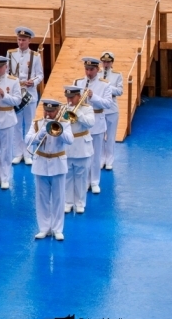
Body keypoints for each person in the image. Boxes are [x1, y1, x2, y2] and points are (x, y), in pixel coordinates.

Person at [26, 99, 74, 241]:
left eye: (51, 111)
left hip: (58, 164)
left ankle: (58, 229)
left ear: (57, 111)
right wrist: (41, 133)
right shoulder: (37, 123)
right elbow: (27, 140)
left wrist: (59, 131)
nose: (48, 113)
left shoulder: (64, 123)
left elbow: (70, 140)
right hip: (40, 164)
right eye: (46, 110)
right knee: (42, 199)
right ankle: (44, 228)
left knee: (59, 198)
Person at [74, 57, 113, 194]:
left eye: (91, 69)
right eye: (87, 69)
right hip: (82, 122)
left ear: (98, 69)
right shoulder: (78, 82)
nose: (88, 72)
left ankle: (95, 181)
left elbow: (108, 104)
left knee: (96, 155)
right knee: (84, 154)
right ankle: (84, 181)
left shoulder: (105, 84)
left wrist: (93, 96)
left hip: (97, 121)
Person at [8, 27, 44, 165]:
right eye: (19, 39)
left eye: (23, 40)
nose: (21, 42)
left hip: (30, 93)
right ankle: (18, 153)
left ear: (29, 41)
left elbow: (40, 74)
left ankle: (28, 153)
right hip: (16, 93)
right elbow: (8, 73)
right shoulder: (10, 54)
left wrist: (33, 82)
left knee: (30, 124)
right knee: (17, 124)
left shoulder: (35, 56)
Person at [0, 56, 21, 190]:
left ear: (6, 67)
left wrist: (4, 96)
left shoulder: (13, 81)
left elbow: (18, 100)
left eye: (0, 67)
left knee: (6, 151)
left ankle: (5, 177)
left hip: (7, 118)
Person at [62, 85, 94, 215]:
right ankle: (68, 202)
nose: (69, 100)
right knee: (68, 176)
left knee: (81, 177)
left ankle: (80, 203)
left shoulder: (87, 108)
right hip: (68, 147)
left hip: (82, 147)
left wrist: (78, 113)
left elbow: (91, 123)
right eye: (68, 97)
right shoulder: (63, 108)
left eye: (72, 97)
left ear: (79, 97)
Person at [99, 52, 122, 171]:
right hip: (100, 109)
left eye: (108, 62)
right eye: (104, 62)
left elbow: (119, 91)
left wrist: (107, 86)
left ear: (112, 62)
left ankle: (109, 160)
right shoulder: (97, 74)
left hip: (112, 109)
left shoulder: (117, 75)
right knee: (100, 136)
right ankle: (101, 158)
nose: (106, 64)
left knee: (111, 136)